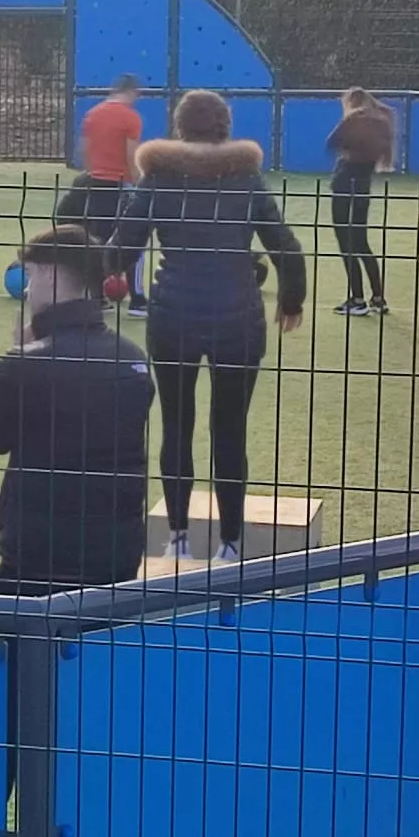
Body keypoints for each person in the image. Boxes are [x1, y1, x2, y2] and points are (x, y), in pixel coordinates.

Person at [112, 90, 306, 565]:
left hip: (173, 314)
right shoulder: (246, 177)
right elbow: (285, 245)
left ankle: (176, 535)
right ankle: (231, 542)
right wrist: (290, 298)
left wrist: (103, 269)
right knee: (230, 430)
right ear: (225, 126)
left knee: (176, 425)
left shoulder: (157, 178)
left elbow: (122, 248)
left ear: (179, 127)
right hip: (237, 315)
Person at [0, 226, 154, 594]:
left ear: (49, 273)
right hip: (116, 557)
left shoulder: (31, 362)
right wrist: (12, 499)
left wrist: (14, 355)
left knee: (14, 647)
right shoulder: (132, 359)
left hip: (39, 560)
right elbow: (92, 455)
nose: (28, 289)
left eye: (30, 276)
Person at [57, 75, 150, 311]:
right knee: (135, 239)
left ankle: (97, 297)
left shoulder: (93, 114)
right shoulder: (131, 118)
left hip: (96, 183)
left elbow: (84, 149)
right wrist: (137, 181)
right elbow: (131, 154)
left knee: (98, 239)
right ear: (130, 91)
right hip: (120, 183)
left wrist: (92, 172)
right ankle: (138, 300)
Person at [326, 86, 396, 317]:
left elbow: (332, 142)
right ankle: (378, 297)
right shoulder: (383, 123)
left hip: (344, 182)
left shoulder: (353, 120)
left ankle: (356, 299)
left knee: (345, 243)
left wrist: (347, 147)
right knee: (361, 242)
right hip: (363, 185)